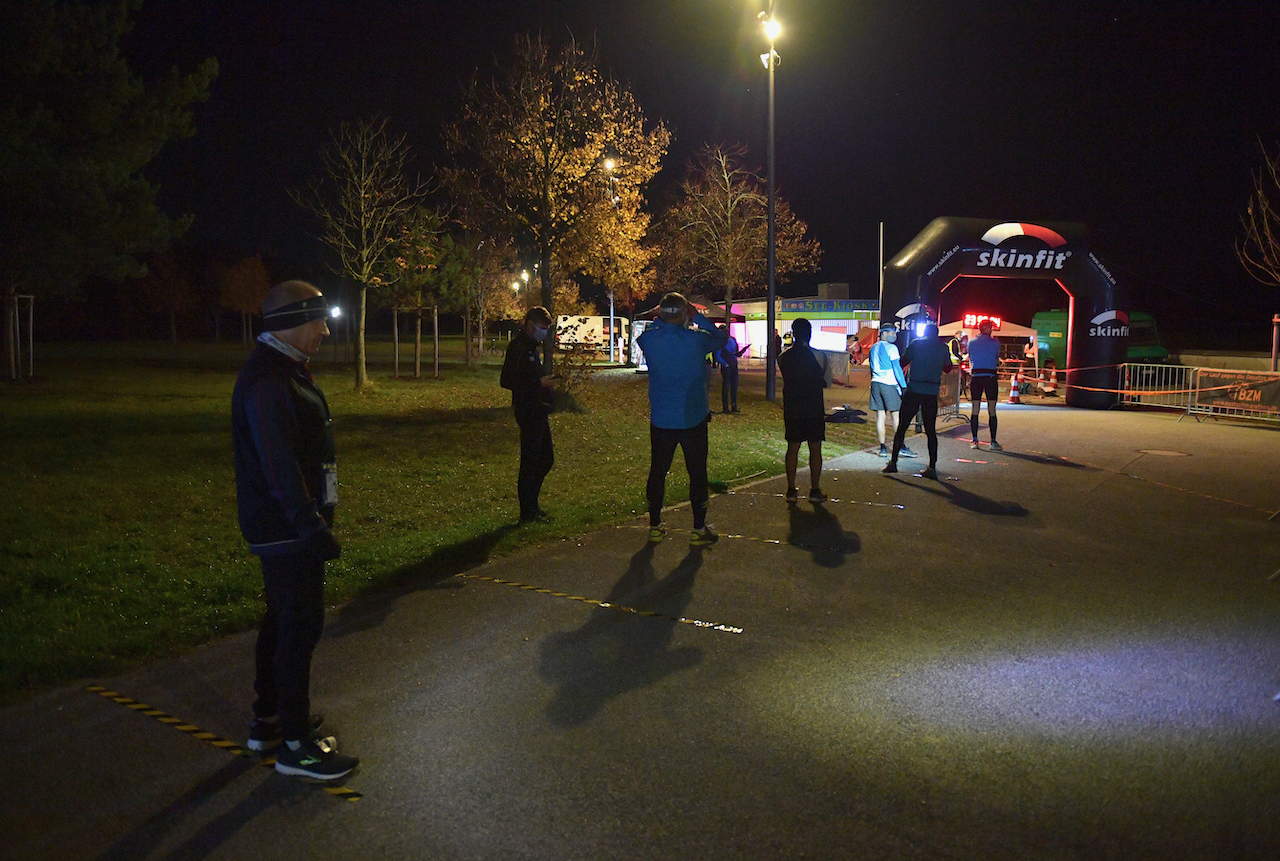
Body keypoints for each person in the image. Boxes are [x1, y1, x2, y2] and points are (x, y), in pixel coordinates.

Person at [232, 280, 359, 781]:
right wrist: (309, 526)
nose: (326, 331)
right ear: (293, 322)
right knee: (298, 628)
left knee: (282, 621)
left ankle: (272, 721)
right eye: (319, 321)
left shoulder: (282, 370)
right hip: (287, 530)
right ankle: (296, 747)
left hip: (288, 527)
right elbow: (279, 464)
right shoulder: (269, 381)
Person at [636, 292, 729, 545]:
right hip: (692, 418)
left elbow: (648, 332)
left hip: (662, 420)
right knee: (697, 473)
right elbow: (723, 338)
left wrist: (663, 318)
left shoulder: (649, 340)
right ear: (686, 313)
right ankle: (698, 529)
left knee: (658, 472)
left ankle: (655, 525)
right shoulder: (696, 341)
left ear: (660, 315)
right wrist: (698, 317)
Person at [501, 306, 558, 523]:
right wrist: (538, 383)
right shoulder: (519, 347)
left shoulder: (532, 346)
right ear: (530, 325)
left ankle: (532, 505)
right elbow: (507, 380)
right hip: (528, 410)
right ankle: (527, 511)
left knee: (545, 459)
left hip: (538, 408)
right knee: (532, 461)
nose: (544, 333)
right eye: (542, 328)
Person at [882, 321, 954, 480]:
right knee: (930, 431)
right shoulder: (943, 348)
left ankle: (893, 462)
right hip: (931, 392)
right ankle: (932, 467)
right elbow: (948, 368)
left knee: (902, 427)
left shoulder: (916, 344)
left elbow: (903, 361)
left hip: (914, 389)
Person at [777, 318, 829, 503]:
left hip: (793, 407)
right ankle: (814, 490)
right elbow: (827, 381)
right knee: (815, 448)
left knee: (793, 448)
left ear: (793, 333)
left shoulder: (783, 357)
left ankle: (791, 489)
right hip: (813, 406)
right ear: (810, 333)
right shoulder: (819, 356)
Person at [867, 325, 915, 460]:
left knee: (880, 417)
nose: (894, 335)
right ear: (884, 333)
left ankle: (882, 448)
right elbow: (897, 369)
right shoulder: (892, 348)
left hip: (876, 383)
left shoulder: (873, 347)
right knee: (896, 416)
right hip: (890, 384)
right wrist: (904, 386)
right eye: (892, 333)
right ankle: (901, 446)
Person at [966, 319, 1003, 451]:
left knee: (975, 409)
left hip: (976, 377)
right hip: (990, 377)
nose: (992, 329)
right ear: (986, 328)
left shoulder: (971, 342)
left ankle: (975, 440)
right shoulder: (995, 343)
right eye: (991, 327)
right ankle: (993, 441)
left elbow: (971, 358)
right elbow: (995, 358)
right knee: (992, 409)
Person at [715, 323, 748, 413]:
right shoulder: (720, 341)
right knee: (726, 386)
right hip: (727, 366)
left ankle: (734, 405)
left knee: (734, 385)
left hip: (733, 364)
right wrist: (725, 364)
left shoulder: (732, 339)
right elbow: (717, 355)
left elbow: (736, 352)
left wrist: (740, 352)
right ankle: (725, 407)